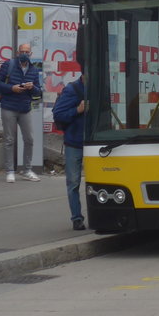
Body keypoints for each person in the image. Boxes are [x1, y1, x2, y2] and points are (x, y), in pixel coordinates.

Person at [0, 43, 44, 183]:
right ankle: (10, 171)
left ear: (30, 54)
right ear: (17, 52)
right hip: (8, 107)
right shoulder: (8, 65)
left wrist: (32, 87)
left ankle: (27, 170)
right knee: (9, 140)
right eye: (22, 51)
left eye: (26, 52)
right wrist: (12, 88)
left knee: (29, 139)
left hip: (25, 108)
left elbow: (38, 92)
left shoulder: (34, 70)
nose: (24, 54)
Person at [53, 72, 87, 231]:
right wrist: (77, 110)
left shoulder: (100, 87)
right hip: (74, 143)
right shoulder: (72, 89)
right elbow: (58, 113)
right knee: (73, 182)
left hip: (96, 143)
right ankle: (77, 218)